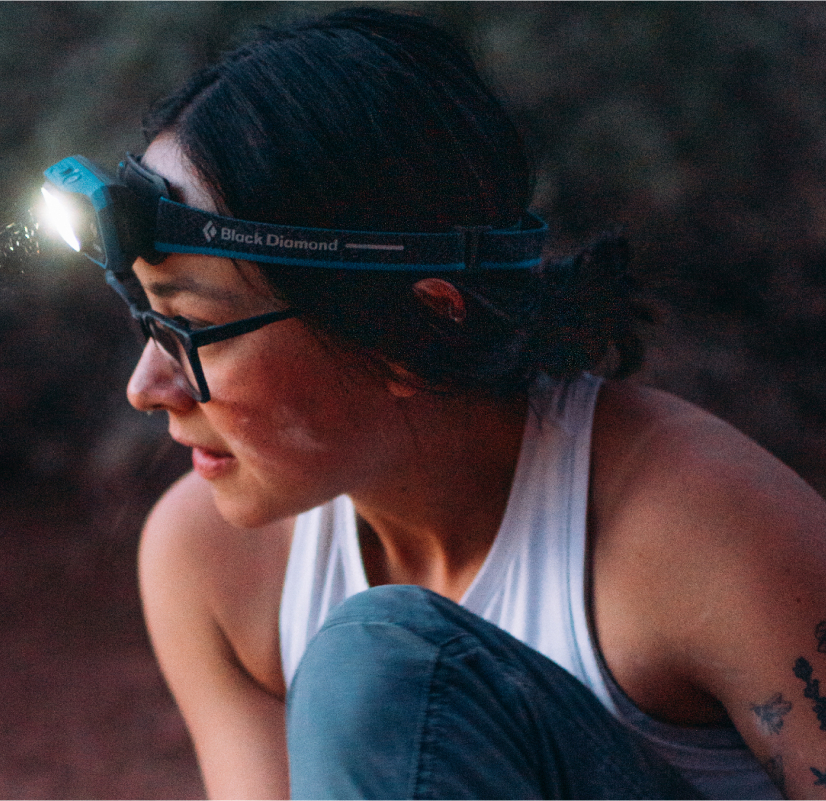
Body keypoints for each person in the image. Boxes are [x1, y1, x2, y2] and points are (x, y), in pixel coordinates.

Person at [85, 8, 826, 799]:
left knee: (380, 669)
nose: (146, 386)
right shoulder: (209, 562)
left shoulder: (699, 529)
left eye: (193, 328)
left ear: (411, 329)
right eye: (145, 316)